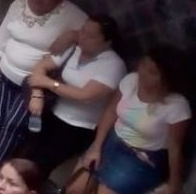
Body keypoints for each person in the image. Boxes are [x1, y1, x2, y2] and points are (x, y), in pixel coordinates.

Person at [0, 0, 89, 167]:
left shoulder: (73, 14)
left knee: (13, 126)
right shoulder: (19, 2)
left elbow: (91, 35)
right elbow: (2, 35)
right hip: (5, 75)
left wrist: (71, 35)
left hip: (33, 85)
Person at [73, 46, 190, 194]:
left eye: (151, 72)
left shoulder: (177, 106)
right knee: (75, 188)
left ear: (165, 79)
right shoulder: (130, 80)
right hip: (112, 140)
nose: (142, 73)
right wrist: (96, 147)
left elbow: (175, 147)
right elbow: (110, 112)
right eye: (143, 65)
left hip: (142, 155)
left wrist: (174, 183)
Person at [21, 15, 126, 178]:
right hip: (51, 112)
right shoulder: (73, 48)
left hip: (78, 127)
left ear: (107, 42)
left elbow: (86, 95)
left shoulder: (113, 65)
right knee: (25, 155)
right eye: (82, 31)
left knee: (40, 166)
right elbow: (40, 67)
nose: (82, 37)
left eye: (90, 36)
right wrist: (37, 93)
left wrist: (50, 84)